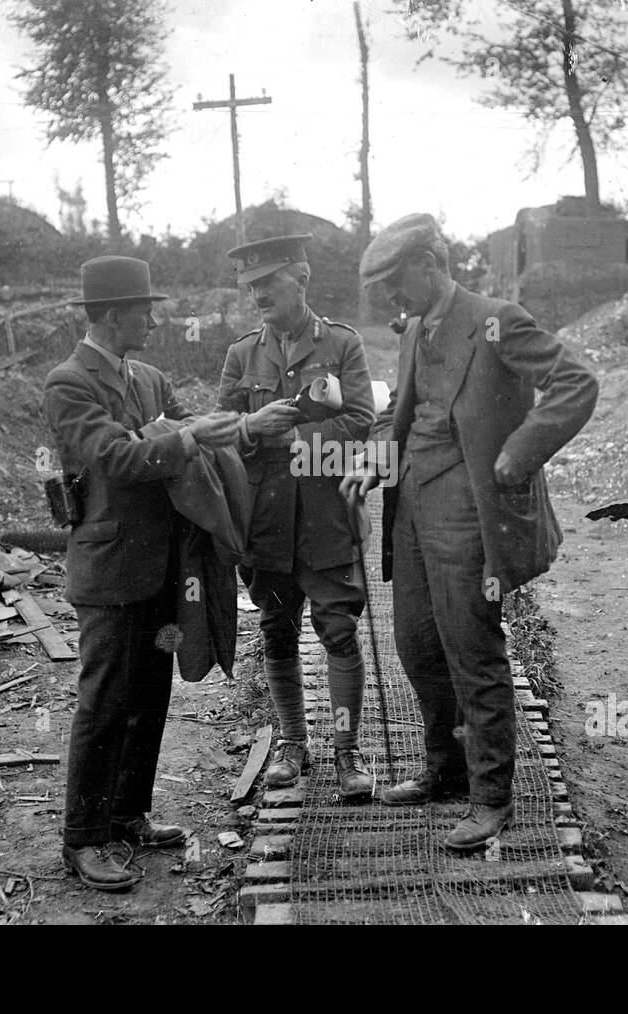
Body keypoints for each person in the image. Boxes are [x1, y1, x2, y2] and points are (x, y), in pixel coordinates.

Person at [341, 214, 599, 851]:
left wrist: (520, 450)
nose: (390, 302)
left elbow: (576, 382)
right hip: (413, 510)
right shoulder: (413, 332)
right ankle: (445, 767)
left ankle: (489, 797)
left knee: (471, 649)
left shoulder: (497, 319)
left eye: (397, 285)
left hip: (468, 514)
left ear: (430, 264)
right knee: (417, 645)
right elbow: (397, 414)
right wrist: (376, 459)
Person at [44, 256, 239, 890]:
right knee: (104, 702)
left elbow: (180, 427)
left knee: (150, 694)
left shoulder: (148, 378)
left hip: (161, 569)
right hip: (110, 570)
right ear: (111, 315)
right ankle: (84, 838)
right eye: (144, 309)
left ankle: (127, 815)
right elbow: (116, 458)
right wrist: (182, 439)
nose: (154, 319)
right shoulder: (69, 383)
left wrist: (208, 431)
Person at [218, 234, 377, 801]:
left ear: (301, 278)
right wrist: (249, 429)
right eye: (252, 285)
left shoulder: (340, 343)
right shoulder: (242, 354)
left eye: (269, 282)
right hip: (265, 519)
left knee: (338, 631)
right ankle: (291, 744)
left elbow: (361, 417)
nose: (258, 293)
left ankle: (347, 753)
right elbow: (223, 433)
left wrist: (296, 436)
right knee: (276, 631)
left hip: (326, 513)